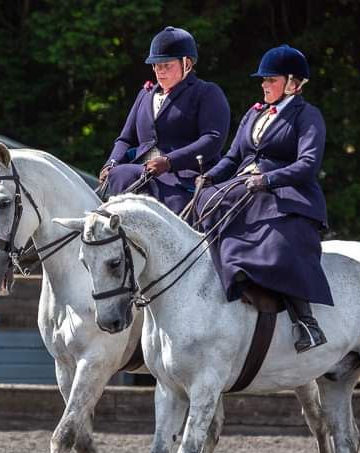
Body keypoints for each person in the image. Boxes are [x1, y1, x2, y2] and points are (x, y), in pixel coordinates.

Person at [194, 45, 332, 353]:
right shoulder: (254, 113)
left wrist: (269, 179)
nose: (264, 85)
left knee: (279, 244)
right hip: (244, 188)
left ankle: (306, 323)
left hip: (286, 194)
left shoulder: (307, 116)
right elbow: (233, 157)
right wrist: (211, 176)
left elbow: (308, 163)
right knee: (204, 205)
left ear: (292, 83)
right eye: (264, 80)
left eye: (271, 80)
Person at [99, 26, 230, 215]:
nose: (159, 71)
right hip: (140, 172)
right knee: (119, 173)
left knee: (126, 174)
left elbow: (213, 139)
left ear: (187, 64)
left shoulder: (206, 92)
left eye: (166, 65)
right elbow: (125, 139)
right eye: (155, 65)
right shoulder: (144, 95)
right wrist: (110, 163)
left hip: (182, 175)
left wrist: (169, 161)